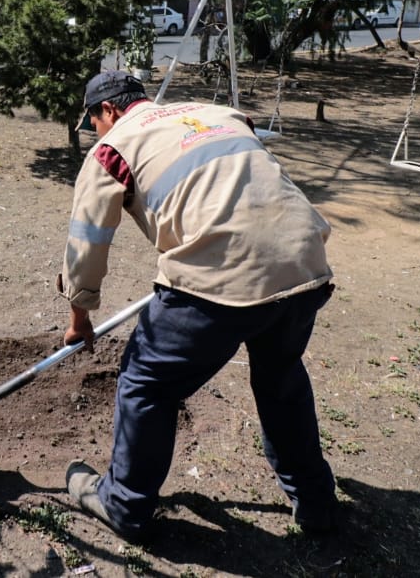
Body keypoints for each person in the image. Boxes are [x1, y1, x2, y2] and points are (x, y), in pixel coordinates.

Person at [59, 70, 337, 541]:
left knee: (145, 385)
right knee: (280, 380)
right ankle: (317, 505)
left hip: (217, 280)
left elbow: (88, 239)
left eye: (94, 122)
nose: (96, 132)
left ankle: (124, 505)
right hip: (304, 263)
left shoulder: (114, 145)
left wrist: (79, 316)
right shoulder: (218, 114)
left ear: (107, 111)